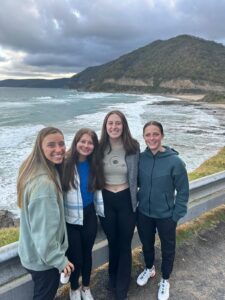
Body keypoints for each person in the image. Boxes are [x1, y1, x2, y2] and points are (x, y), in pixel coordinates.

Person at [17, 127, 74, 300]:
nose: (59, 149)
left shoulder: (33, 169)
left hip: (32, 253)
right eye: (51, 145)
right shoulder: (45, 185)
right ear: (40, 148)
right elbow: (44, 234)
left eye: (61, 144)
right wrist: (59, 260)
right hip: (44, 261)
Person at [136, 121, 189, 300]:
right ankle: (149, 268)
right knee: (146, 245)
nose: (152, 138)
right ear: (143, 137)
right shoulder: (141, 159)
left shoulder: (175, 161)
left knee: (168, 249)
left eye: (155, 134)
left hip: (166, 215)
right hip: (143, 213)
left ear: (162, 136)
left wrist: (176, 215)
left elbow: (183, 190)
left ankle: (165, 279)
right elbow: (134, 182)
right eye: (148, 134)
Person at [98, 110, 139, 300]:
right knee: (113, 243)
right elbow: (79, 157)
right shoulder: (98, 148)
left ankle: (122, 286)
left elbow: (143, 170)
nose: (114, 127)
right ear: (105, 126)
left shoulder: (133, 146)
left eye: (118, 123)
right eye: (110, 123)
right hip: (106, 200)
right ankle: (112, 277)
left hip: (125, 200)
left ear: (124, 126)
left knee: (124, 244)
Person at [62, 128, 105, 300]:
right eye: (83, 141)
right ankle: (74, 288)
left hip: (89, 215)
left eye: (90, 143)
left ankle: (86, 287)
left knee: (87, 255)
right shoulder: (64, 163)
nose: (86, 145)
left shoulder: (95, 164)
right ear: (76, 141)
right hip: (70, 217)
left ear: (94, 146)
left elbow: (98, 191)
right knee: (76, 258)